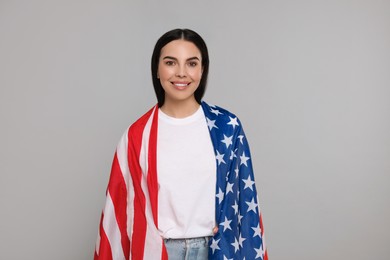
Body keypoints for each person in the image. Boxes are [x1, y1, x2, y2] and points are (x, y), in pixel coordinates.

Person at [94, 28, 268, 260]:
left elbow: (242, 204)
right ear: (157, 69)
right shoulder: (137, 135)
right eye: (171, 62)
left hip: (214, 250)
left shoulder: (228, 127)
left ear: (202, 70)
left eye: (192, 63)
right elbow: (121, 212)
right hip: (159, 251)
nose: (181, 73)